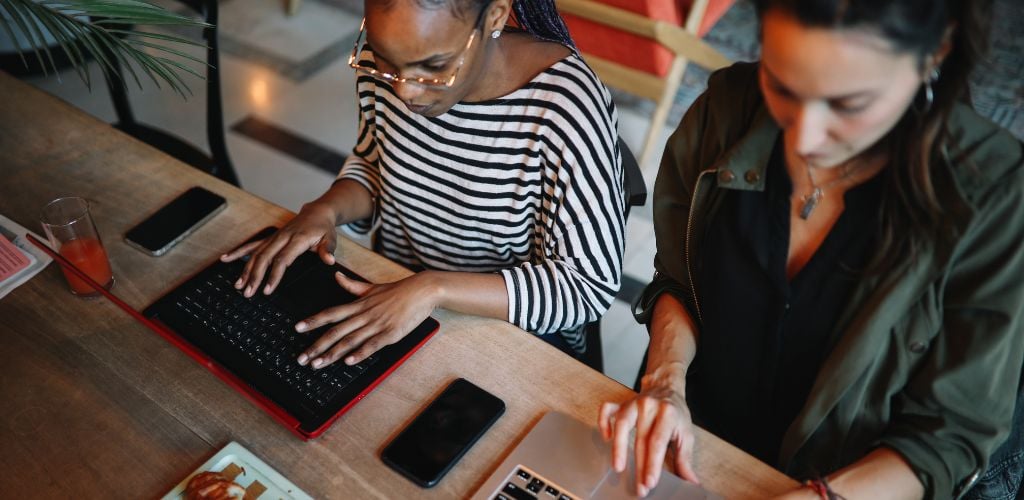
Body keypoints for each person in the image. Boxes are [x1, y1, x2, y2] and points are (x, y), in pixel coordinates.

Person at [599, 0, 1024, 498]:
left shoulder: (992, 194)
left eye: (849, 105)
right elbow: (678, 280)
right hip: (694, 450)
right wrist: (665, 384)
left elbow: (944, 439)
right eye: (782, 86)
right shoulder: (724, 110)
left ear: (935, 54)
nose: (804, 137)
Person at [222, 0, 625, 369]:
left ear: (496, 15)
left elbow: (585, 287)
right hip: (402, 292)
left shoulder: (563, 107)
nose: (404, 90)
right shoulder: (388, 66)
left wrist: (432, 289)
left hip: (513, 333)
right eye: (385, 62)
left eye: (434, 67)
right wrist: (324, 210)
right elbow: (377, 165)